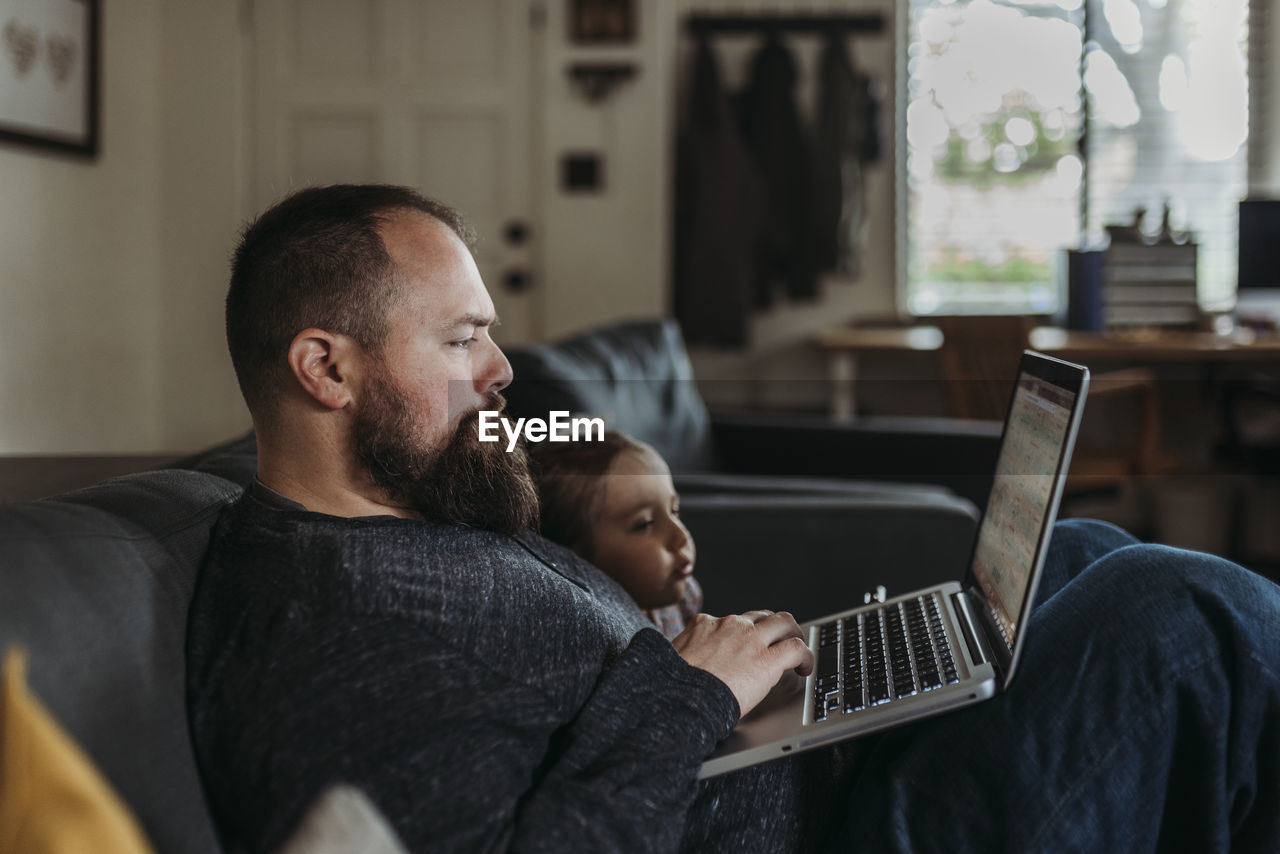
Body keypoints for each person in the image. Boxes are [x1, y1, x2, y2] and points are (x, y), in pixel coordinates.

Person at [187, 183, 1280, 853]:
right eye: (462, 338)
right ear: (324, 367)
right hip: (832, 835)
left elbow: (558, 443)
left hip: (798, 765)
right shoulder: (329, 639)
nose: (502, 369)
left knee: (1082, 550)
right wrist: (691, 690)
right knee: (1180, 609)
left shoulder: (408, 481)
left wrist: (615, 467)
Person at [531, 431, 703, 639]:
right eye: (645, 524)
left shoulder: (683, 596)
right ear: (576, 558)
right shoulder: (592, 636)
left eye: (674, 511)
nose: (681, 536)